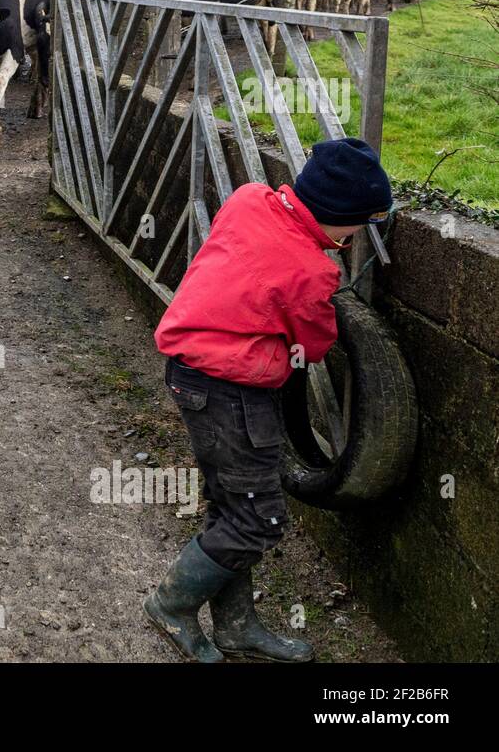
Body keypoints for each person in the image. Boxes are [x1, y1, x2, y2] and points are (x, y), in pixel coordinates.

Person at [145, 138, 392, 662]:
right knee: (261, 517)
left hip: (190, 371)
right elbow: (316, 345)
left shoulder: (250, 198)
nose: (354, 238)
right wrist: (322, 296)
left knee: (235, 503)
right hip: (231, 388)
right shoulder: (310, 271)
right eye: (354, 227)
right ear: (336, 217)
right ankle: (170, 605)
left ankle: (236, 627)